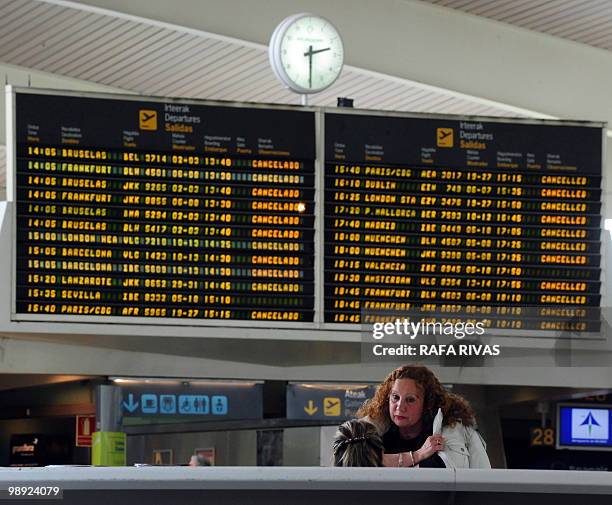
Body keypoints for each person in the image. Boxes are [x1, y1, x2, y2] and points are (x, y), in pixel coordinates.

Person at [357, 365, 491, 469]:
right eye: (395, 397)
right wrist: (418, 455)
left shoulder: (449, 433)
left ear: (427, 404)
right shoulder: (378, 437)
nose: (400, 407)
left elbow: (481, 484)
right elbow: (353, 463)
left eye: (410, 400)